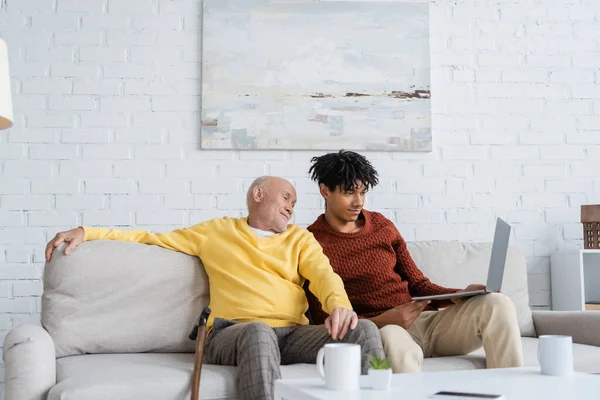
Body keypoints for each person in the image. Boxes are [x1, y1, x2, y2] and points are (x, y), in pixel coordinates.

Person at [45, 176, 383, 400]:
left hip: (293, 334)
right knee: (258, 332)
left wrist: (340, 304)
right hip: (231, 333)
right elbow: (149, 238)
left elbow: (324, 275)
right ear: (258, 194)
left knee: (364, 330)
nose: (291, 206)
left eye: (294, 202)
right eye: (285, 197)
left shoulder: (299, 238)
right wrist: (87, 231)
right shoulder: (216, 231)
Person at [304, 151, 523, 373]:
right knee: (393, 338)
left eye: (363, 192)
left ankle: (514, 389)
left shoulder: (381, 225)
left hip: (427, 322)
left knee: (497, 303)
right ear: (325, 191)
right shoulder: (310, 242)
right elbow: (326, 319)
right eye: (349, 193)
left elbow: (419, 284)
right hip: (385, 330)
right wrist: (383, 320)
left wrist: (457, 294)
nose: (358, 201)